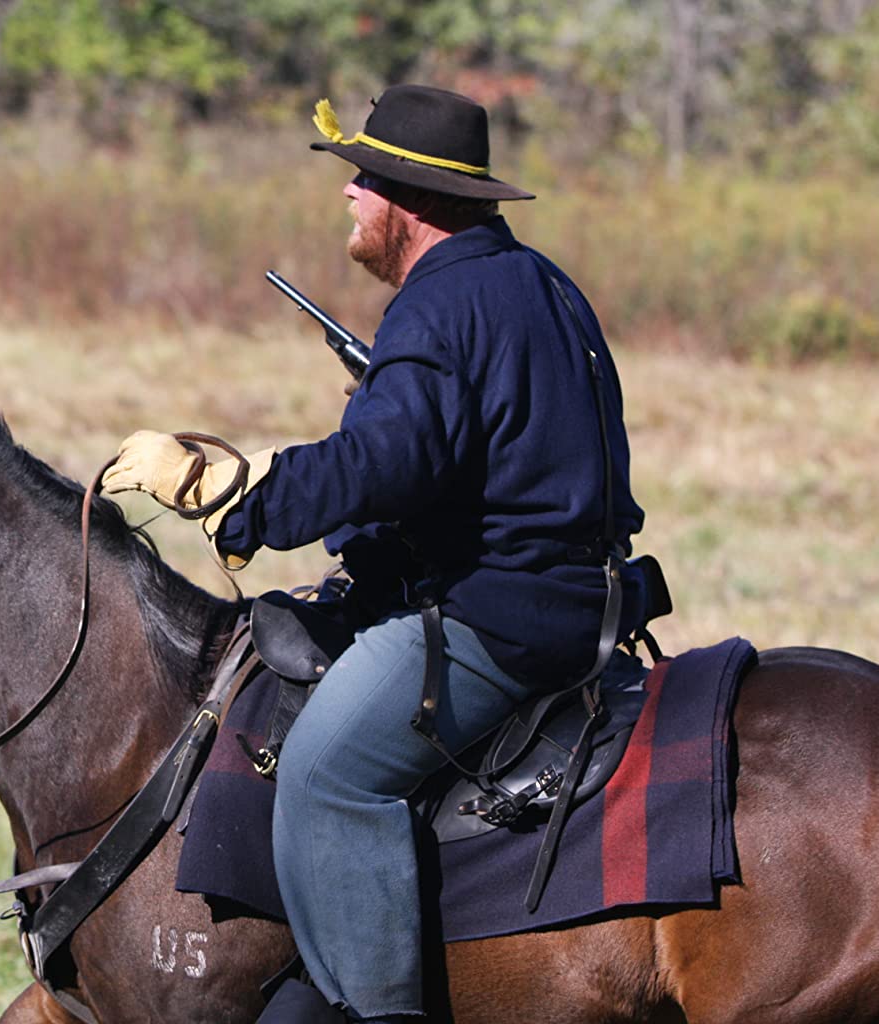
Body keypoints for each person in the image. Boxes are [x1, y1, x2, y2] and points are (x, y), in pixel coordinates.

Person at [101, 84, 645, 1022]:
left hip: (504, 616)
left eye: (368, 176)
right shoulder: (538, 281)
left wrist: (235, 491)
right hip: (584, 596)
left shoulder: (440, 306)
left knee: (327, 773)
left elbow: (388, 463)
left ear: (412, 201)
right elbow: (466, 462)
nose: (351, 190)